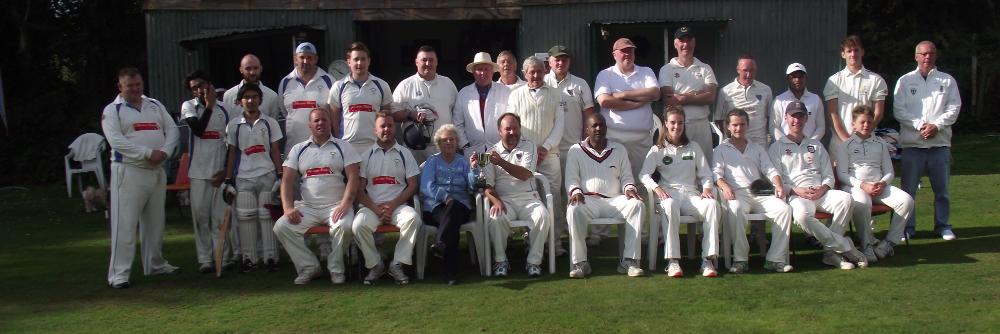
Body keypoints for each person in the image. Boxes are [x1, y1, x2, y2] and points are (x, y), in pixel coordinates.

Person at [102, 67, 181, 288]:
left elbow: (172, 130)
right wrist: (148, 154)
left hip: (156, 170)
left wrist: (164, 151)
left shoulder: (154, 105)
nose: (135, 89)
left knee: (155, 222)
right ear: (120, 87)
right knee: (124, 224)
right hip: (129, 171)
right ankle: (119, 274)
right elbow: (116, 141)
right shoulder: (113, 110)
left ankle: (154, 264)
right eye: (130, 85)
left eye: (138, 84)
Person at [768, 101, 869, 269]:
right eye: (793, 116)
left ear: (806, 119)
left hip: (820, 193)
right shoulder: (776, 148)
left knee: (846, 199)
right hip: (796, 195)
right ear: (786, 118)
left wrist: (823, 188)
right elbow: (776, 181)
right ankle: (844, 246)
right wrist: (796, 190)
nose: (797, 121)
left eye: (801, 116)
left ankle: (830, 254)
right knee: (801, 216)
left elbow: (828, 175)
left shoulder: (816, 145)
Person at [273, 108, 361, 285]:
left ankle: (336, 268)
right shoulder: (299, 149)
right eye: (316, 121)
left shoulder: (343, 146)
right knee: (281, 227)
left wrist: (345, 204)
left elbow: (353, 177)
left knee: (345, 226)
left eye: (324, 120)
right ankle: (309, 267)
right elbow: (287, 181)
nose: (320, 123)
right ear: (310, 125)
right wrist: (288, 208)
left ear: (330, 123)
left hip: (336, 205)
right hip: (308, 207)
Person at [639, 106, 720, 278]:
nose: (677, 126)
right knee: (669, 205)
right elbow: (644, 174)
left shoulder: (694, 147)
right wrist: (657, 188)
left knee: (712, 204)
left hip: (691, 194)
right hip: (669, 194)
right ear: (666, 124)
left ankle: (707, 259)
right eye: (673, 123)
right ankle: (673, 261)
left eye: (680, 123)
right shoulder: (658, 149)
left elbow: (706, 174)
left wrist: (706, 188)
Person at [593, 37, 659, 246]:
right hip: (614, 138)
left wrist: (623, 95)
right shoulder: (605, 74)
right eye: (623, 51)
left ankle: (645, 233)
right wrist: (638, 102)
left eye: (630, 50)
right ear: (614, 54)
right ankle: (600, 232)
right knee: (609, 184)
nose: (627, 54)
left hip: (642, 139)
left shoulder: (646, 71)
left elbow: (655, 93)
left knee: (642, 183)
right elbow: (605, 101)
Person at [892, 40, 961, 241]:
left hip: (939, 144)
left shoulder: (947, 80)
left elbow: (954, 108)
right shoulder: (905, 81)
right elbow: (899, 110)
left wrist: (936, 126)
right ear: (916, 57)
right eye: (923, 54)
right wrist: (920, 125)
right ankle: (907, 228)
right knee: (908, 192)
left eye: (930, 53)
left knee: (942, 191)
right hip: (913, 145)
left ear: (935, 55)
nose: (927, 57)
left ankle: (943, 226)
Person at [565, 113, 645, 278]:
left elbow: (626, 177)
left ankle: (629, 261)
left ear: (606, 128)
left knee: (637, 205)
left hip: (615, 201)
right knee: (574, 209)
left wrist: (629, 189)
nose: (598, 128)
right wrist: (576, 192)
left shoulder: (619, 149)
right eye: (594, 126)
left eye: (601, 125)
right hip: (588, 201)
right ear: (587, 129)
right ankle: (580, 263)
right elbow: (572, 178)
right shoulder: (575, 150)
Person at [712, 109, 791, 274]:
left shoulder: (757, 148)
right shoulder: (720, 149)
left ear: (747, 126)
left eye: (742, 125)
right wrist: (725, 187)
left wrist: (778, 185)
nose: (738, 128)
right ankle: (741, 260)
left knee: (784, 209)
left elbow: (770, 170)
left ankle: (775, 259)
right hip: (737, 194)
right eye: (734, 125)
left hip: (760, 193)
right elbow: (716, 175)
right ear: (728, 127)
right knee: (735, 209)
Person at [477, 113, 551, 278]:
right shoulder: (491, 152)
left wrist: (501, 162)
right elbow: (487, 185)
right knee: (495, 218)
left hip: (528, 198)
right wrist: (495, 201)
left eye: (515, 128)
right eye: (507, 129)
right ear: (499, 131)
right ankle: (501, 261)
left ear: (520, 129)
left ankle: (534, 262)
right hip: (504, 200)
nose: (512, 132)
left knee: (543, 216)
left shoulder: (529, 145)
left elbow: (525, 175)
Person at [836, 105, 914, 259]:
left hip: (879, 187)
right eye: (862, 122)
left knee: (907, 201)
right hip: (855, 187)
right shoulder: (846, 145)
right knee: (863, 202)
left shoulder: (880, 143)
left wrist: (883, 183)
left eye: (869, 122)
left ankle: (888, 244)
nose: (866, 125)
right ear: (853, 124)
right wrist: (862, 185)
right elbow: (842, 174)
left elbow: (889, 172)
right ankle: (867, 245)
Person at [353, 112, 421, 285]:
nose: (386, 129)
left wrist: (392, 205)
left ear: (394, 128)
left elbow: (413, 185)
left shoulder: (405, 153)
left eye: (390, 126)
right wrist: (377, 209)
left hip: (397, 206)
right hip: (372, 207)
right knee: (358, 225)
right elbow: (360, 191)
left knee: (413, 218)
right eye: (382, 126)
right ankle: (376, 265)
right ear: (375, 130)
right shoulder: (365, 156)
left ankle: (397, 263)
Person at [223, 83, 284, 272]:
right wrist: (227, 179)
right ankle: (249, 259)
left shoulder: (269, 123)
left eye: (254, 97)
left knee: (267, 217)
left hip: (266, 174)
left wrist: (280, 175)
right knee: (246, 217)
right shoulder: (233, 125)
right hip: (243, 177)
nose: (251, 101)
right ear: (240, 101)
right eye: (247, 97)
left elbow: (275, 150)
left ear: (260, 99)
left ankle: (271, 257)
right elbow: (232, 153)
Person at [506, 56, 564, 255]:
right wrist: (530, 149)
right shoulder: (515, 95)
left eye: (539, 71)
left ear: (545, 72)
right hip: (525, 156)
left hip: (549, 155)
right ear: (525, 74)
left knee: (553, 199)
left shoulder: (556, 94)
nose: (536, 75)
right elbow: (512, 125)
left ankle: (554, 245)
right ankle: (532, 244)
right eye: (532, 72)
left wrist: (545, 147)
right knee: (530, 199)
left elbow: (559, 125)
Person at [180, 71, 232, 273]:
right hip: (199, 172)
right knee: (201, 217)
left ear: (209, 84)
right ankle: (205, 260)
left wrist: (226, 171)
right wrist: (209, 105)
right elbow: (198, 130)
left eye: (202, 85)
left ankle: (223, 257)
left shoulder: (225, 110)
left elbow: (231, 143)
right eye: (194, 88)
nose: (199, 90)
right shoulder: (188, 107)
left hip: (219, 172)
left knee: (220, 219)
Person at [545, 45, 594, 256]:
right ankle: (553, 240)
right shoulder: (542, 81)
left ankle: (577, 238)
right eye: (556, 59)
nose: (560, 63)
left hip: (575, 148)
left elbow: (589, 115)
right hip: (549, 151)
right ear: (549, 61)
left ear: (569, 62)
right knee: (552, 197)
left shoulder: (580, 84)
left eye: (564, 59)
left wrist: (586, 142)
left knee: (575, 194)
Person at [420, 124, 476, 285]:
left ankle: (440, 244)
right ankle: (450, 273)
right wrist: (445, 198)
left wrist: (473, 169)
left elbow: (472, 188)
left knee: (454, 210)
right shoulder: (432, 161)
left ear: (457, 142)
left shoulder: (463, 162)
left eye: (452, 139)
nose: (449, 142)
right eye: (445, 140)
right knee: (452, 221)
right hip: (435, 208)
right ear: (439, 143)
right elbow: (426, 186)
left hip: (461, 207)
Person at [823, 35, 888, 157]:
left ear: (862, 52)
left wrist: (863, 136)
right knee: (838, 176)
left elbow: (878, 113)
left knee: (867, 175)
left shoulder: (876, 80)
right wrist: (848, 140)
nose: (853, 54)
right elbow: (832, 114)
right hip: (840, 143)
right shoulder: (834, 81)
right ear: (843, 54)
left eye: (856, 50)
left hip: (867, 142)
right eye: (849, 51)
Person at [391, 45, 458, 163]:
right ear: (416, 62)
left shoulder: (448, 84)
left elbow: (458, 115)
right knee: (415, 181)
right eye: (424, 60)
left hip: (444, 149)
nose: (428, 63)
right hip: (415, 151)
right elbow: (392, 114)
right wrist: (410, 114)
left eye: (431, 60)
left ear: (437, 62)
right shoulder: (405, 85)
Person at [659, 26, 718, 155]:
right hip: (677, 127)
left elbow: (710, 97)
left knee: (704, 168)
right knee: (679, 168)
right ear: (675, 44)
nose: (685, 44)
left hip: (701, 125)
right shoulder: (667, 69)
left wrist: (683, 98)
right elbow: (669, 100)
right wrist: (697, 94)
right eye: (681, 41)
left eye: (689, 40)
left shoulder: (705, 68)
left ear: (694, 42)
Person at [329, 42, 393, 155]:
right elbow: (334, 119)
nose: (360, 63)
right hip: (347, 146)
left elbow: (387, 117)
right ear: (349, 61)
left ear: (369, 61)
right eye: (356, 59)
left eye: (363, 59)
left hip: (374, 146)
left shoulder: (382, 85)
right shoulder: (338, 86)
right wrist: (339, 142)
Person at [279, 42, 335, 154]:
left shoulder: (329, 80)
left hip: (323, 147)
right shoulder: (285, 82)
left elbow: (334, 113)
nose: (305, 61)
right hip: (294, 148)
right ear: (295, 59)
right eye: (302, 57)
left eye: (309, 57)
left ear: (316, 59)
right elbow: (285, 111)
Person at [453, 52, 512, 155]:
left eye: (486, 69)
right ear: (473, 72)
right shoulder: (463, 93)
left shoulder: (505, 92)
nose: (482, 73)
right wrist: (464, 145)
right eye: (479, 69)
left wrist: (506, 144)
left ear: (492, 71)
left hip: (500, 150)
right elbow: (457, 122)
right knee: (474, 171)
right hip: (473, 151)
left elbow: (511, 120)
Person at [716, 55, 773, 148]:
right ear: (738, 69)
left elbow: (770, 117)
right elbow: (719, 120)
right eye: (745, 70)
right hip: (734, 144)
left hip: (759, 144)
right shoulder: (725, 91)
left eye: (752, 70)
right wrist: (729, 136)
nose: (749, 74)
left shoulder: (766, 90)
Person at [772, 63, 825, 142]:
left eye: (800, 77)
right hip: (785, 150)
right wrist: (786, 143)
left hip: (810, 150)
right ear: (787, 79)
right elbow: (773, 127)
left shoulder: (816, 99)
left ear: (806, 78)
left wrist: (810, 143)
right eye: (793, 77)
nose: (797, 80)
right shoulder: (779, 100)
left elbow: (821, 127)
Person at [224, 54, 281, 119]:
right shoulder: (229, 95)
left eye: (255, 68)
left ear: (261, 68)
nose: (252, 72)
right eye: (248, 68)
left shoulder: (272, 96)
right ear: (241, 70)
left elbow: (273, 124)